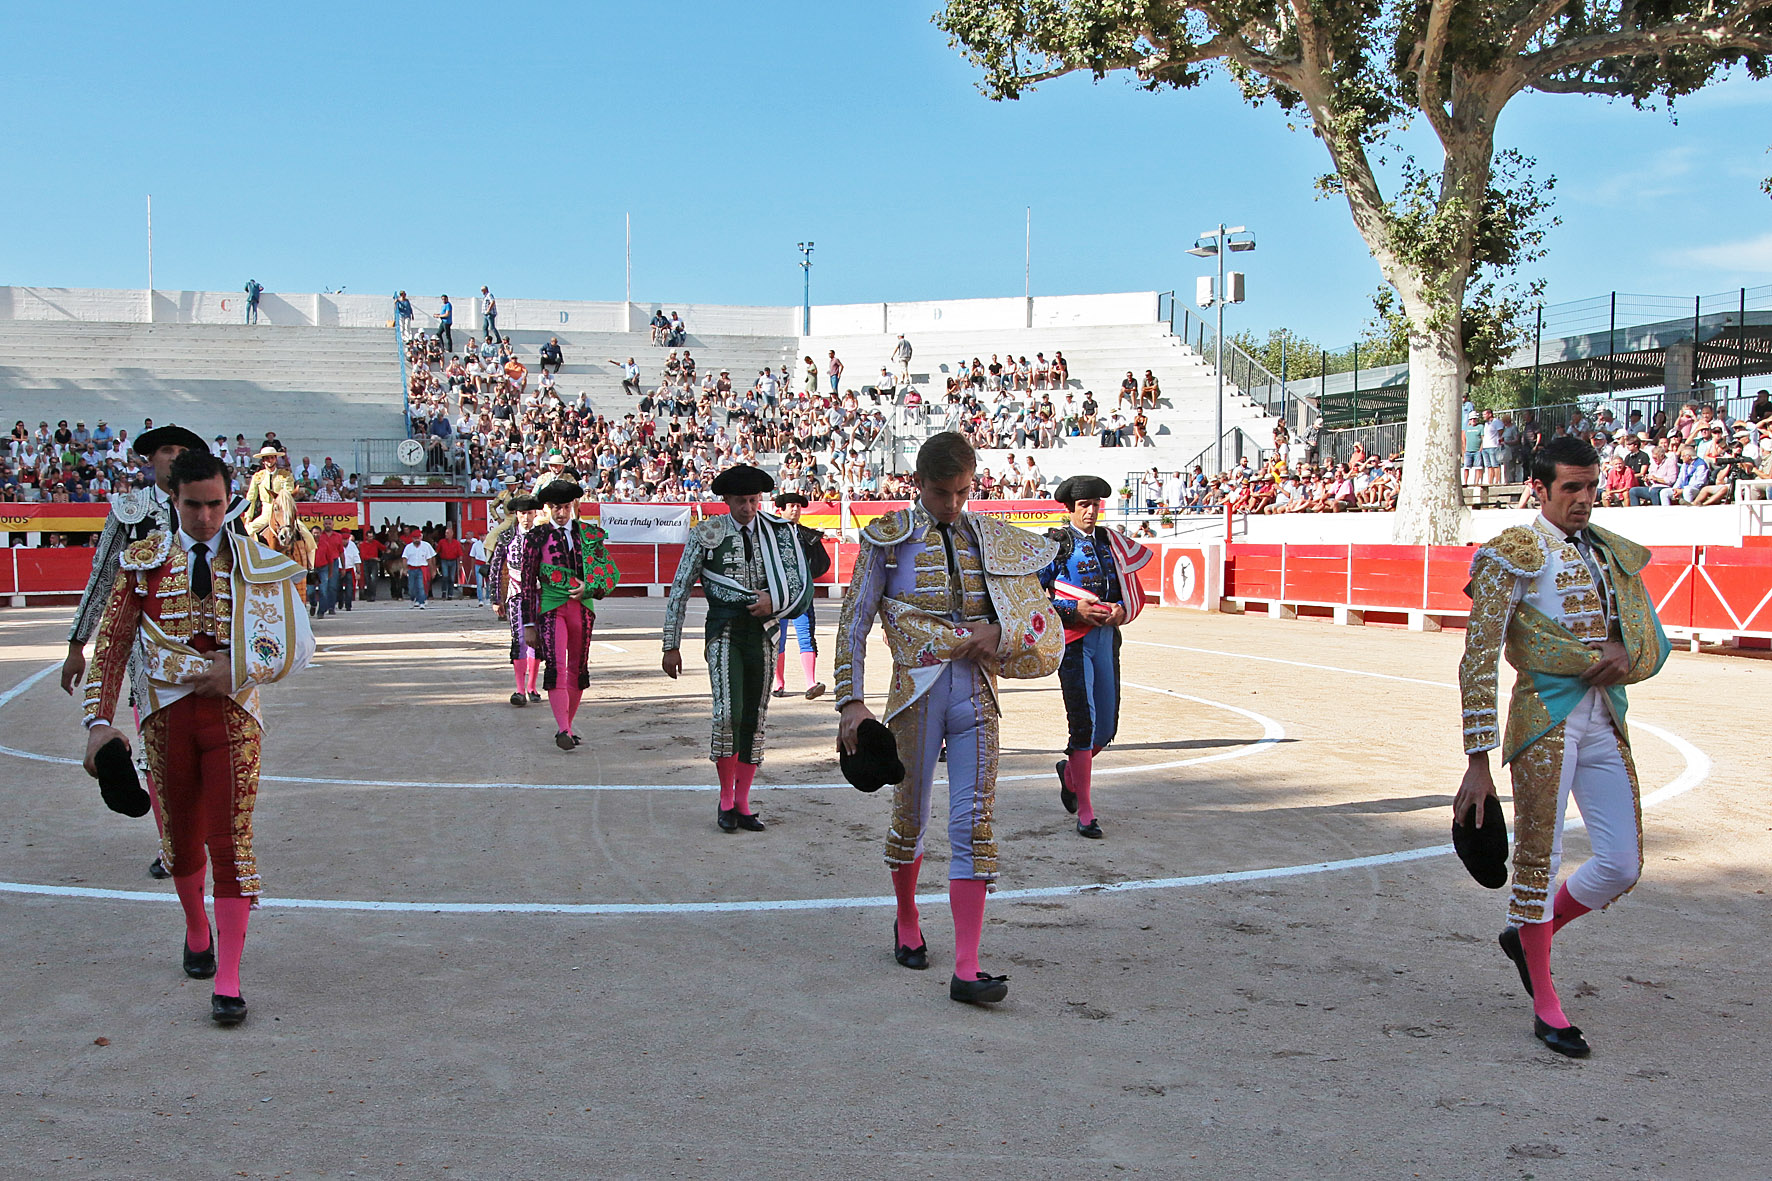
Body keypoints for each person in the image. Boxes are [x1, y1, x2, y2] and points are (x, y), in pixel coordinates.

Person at [81, 449, 315, 1025]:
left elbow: (298, 644)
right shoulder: (142, 562)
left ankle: (230, 978)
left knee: (230, 840)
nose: (207, 517)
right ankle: (195, 929)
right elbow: (112, 645)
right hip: (164, 713)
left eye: (216, 504)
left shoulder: (259, 561)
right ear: (173, 500)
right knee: (181, 839)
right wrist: (98, 722)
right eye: (193, 505)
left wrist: (237, 668)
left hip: (234, 714)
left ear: (229, 498)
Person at [1454, 435, 1671, 1058]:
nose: (1584, 499)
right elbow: (1478, 662)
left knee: (1621, 865)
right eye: (1570, 488)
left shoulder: (1611, 554)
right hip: (1544, 719)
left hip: (1605, 719)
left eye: (1591, 486)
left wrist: (1625, 656)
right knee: (1538, 857)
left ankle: (1526, 934)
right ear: (1539, 489)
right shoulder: (1509, 555)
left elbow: (1648, 640)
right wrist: (1477, 762)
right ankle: (1546, 1003)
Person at [834, 432, 1063, 1004]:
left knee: (973, 822)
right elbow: (853, 623)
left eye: (963, 492)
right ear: (919, 485)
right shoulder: (888, 539)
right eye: (941, 493)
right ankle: (907, 918)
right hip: (916, 695)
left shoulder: (990, 538)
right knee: (910, 815)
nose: (953, 504)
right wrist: (851, 701)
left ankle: (967, 966)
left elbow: (1032, 616)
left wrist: (1000, 632)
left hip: (978, 697)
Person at [63, 422, 207, 881]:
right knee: (156, 750)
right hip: (149, 651)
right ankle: (173, 846)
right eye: (167, 449)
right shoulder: (130, 512)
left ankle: (192, 835)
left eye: (183, 449)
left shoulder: (216, 510)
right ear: (150, 459)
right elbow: (103, 579)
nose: (175, 456)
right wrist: (77, 644)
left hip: (208, 651)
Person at [661, 464, 813, 832]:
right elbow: (680, 588)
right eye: (741, 501)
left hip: (763, 630)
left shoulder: (778, 534)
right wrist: (671, 643)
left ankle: (743, 802)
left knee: (755, 717)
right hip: (724, 628)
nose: (748, 507)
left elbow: (799, 585)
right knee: (727, 713)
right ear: (726, 500)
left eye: (753, 500)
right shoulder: (707, 533)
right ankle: (725, 799)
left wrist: (772, 603)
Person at [1040, 475, 1153, 838]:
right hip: (1072, 640)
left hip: (1106, 638)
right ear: (1069, 508)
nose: (1091, 511)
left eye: (1095, 505)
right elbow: (1032, 596)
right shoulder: (1055, 544)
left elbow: (1127, 590)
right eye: (1084, 505)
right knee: (1084, 724)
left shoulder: (1110, 542)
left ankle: (1070, 772)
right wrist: (1073, 611)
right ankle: (1086, 811)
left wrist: (1121, 609)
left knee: (1106, 727)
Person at [521, 481, 619, 748]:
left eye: (564, 507)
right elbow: (528, 583)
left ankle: (568, 725)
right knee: (556, 665)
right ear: (547, 508)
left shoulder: (589, 534)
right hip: (552, 608)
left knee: (578, 667)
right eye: (554, 507)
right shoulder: (536, 537)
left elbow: (609, 573)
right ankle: (563, 729)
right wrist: (529, 624)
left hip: (583, 607)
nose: (560, 513)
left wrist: (590, 587)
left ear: (574, 506)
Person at [770, 492, 833, 700]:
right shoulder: (771, 533)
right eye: (791, 506)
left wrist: (806, 577)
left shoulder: (807, 535)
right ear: (782, 509)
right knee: (778, 639)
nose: (795, 509)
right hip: (779, 595)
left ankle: (811, 682)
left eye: (798, 506)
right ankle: (778, 684)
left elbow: (822, 563)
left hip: (801, 595)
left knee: (806, 636)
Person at [488, 496, 543, 705]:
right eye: (522, 514)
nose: (526, 518)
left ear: (535, 514)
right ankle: (520, 689)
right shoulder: (506, 537)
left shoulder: (542, 537)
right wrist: (496, 598)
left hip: (539, 594)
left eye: (529, 513)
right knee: (518, 639)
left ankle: (532, 686)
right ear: (516, 515)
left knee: (535, 640)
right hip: (515, 593)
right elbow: (495, 569)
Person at [402, 531, 435, 607]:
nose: (416, 540)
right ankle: (413, 599)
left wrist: (432, 570)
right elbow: (404, 558)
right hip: (411, 569)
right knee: (411, 587)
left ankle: (421, 602)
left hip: (421, 568)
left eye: (418, 538)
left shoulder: (426, 546)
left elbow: (430, 559)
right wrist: (405, 569)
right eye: (415, 538)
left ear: (421, 537)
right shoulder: (408, 547)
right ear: (412, 538)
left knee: (421, 586)